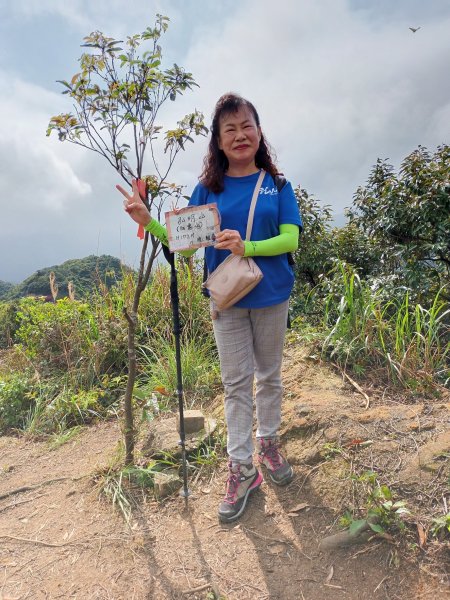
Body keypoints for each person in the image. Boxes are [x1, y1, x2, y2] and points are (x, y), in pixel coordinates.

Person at [117, 93, 302, 523]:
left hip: (272, 294)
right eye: (229, 130)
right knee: (237, 383)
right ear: (218, 142)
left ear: (259, 132)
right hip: (228, 300)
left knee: (269, 376)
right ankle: (242, 468)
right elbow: (183, 246)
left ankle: (268, 444)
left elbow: (291, 238)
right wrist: (150, 222)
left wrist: (247, 245)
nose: (240, 135)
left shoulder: (278, 185)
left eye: (246, 126)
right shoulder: (208, 189)